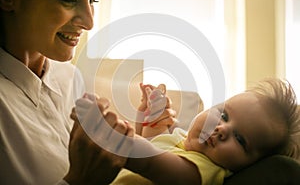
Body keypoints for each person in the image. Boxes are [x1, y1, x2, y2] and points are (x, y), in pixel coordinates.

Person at [0, 0, 175, 184]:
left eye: (93, 0)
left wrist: (148, 138)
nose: (90, 22)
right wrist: (81, 180)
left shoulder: (69, 76)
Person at [74, 78, 299, 185]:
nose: (221, 129)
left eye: (240, 139)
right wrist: (150, 114)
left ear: (250, 164)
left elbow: (150, 160)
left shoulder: (203, 171)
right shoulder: (182, 139)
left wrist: (112, 134)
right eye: (223, 115)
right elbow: (154, 140)